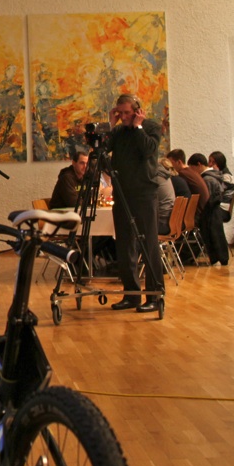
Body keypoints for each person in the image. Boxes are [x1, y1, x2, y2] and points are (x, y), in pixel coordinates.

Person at [105, 94, 164, 314]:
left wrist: (138, 127)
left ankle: (155, 296)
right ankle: (131, 295)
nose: (123, 117)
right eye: (119, 113)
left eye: (127, 113)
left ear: (138, 111)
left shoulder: (150, 127)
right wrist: (110, 126)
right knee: (124, 245)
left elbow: (148, 150)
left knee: (149, 244)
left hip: (144, 193)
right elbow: (102, 150)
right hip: (122, 193)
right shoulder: (118, 131)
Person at [190, 153, 230, 266]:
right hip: (215, 210)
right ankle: (221, 257)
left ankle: (215, 257)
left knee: (212, 234)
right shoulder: (215, 175)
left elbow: (206, 198)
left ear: (198, 165)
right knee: (217, 234)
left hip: (211, 210)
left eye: (192, 168)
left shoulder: (207, 178)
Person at [166, 149, 208, 215]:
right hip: (205, 211)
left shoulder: (182, 174)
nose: (169, 167)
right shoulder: (192, 172)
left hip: (197, 214)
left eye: (171, 163)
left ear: (179, 162)